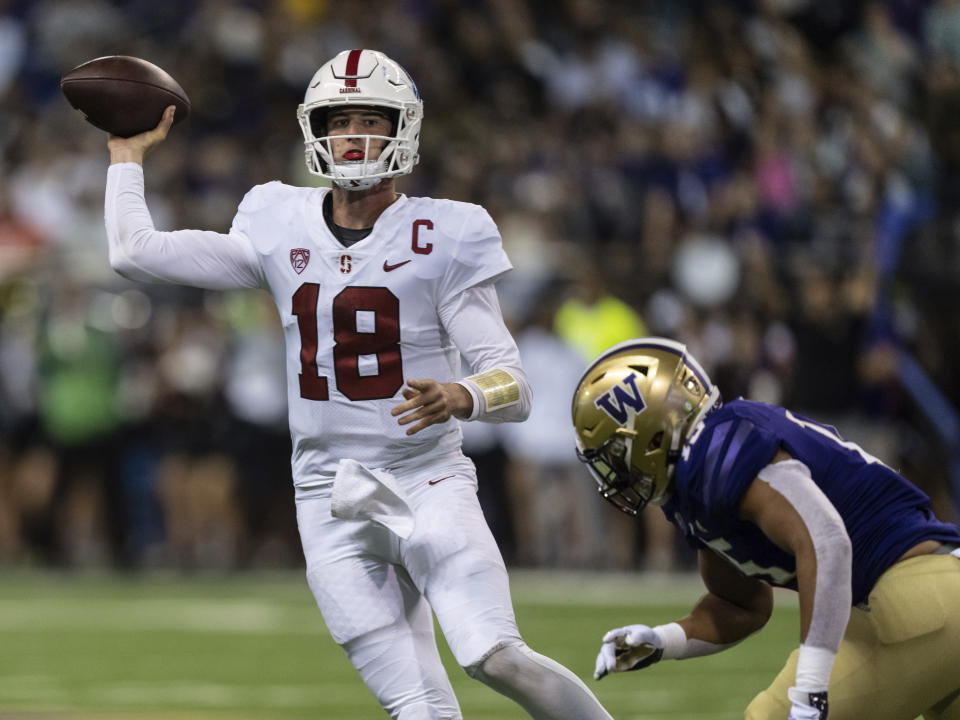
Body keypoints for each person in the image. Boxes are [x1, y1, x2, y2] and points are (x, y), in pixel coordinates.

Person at [103, 49, 613, 720]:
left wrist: (461, 395)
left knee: (493, 655)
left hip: (428, 479)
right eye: (338, 120)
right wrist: (125, 152)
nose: (353, 135)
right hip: (327, 495)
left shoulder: (445, 231)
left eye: (370, 119)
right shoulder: (273, 218)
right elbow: (132, 253)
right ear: (314, 129)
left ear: (403, 129)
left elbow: (515, 385)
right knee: (416, 706)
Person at [571, 337, 960, 720]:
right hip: (935, 602)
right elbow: (741, 606)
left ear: (652, 435)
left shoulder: (719, 450)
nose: (614, 473)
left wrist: (810, 691)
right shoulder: (694, 485)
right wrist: (663, 640)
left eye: (615, 453)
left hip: (911, 605)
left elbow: (827, 541)